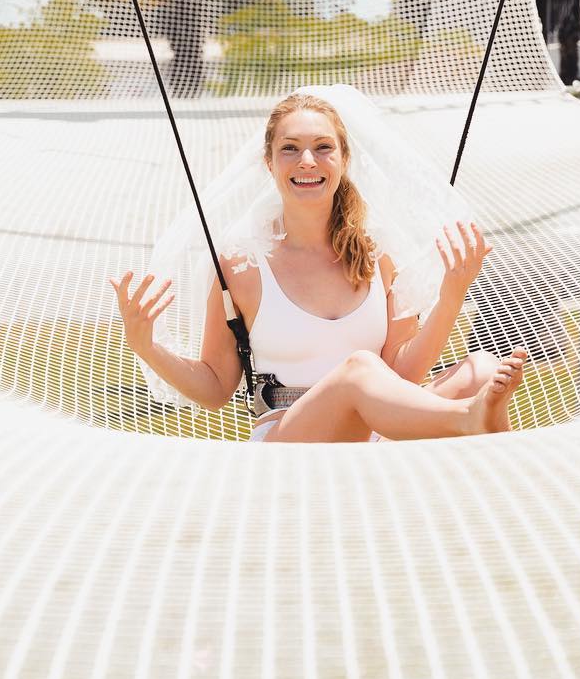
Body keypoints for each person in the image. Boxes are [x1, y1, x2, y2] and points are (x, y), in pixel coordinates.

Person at [110, 90, 528, 442]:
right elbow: (216, 387)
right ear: (269, 163)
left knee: (483, 370)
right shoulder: (240, 266)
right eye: (290, 148)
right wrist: (146, 346)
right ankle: (463, 421)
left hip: (371, 432)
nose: (307, 160)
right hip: (289, 438)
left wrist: (451, 296)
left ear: (344, 159)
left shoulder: (378, 255)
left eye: (323, 147)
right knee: (359, 370)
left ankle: (493, 479)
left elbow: (404, 372)